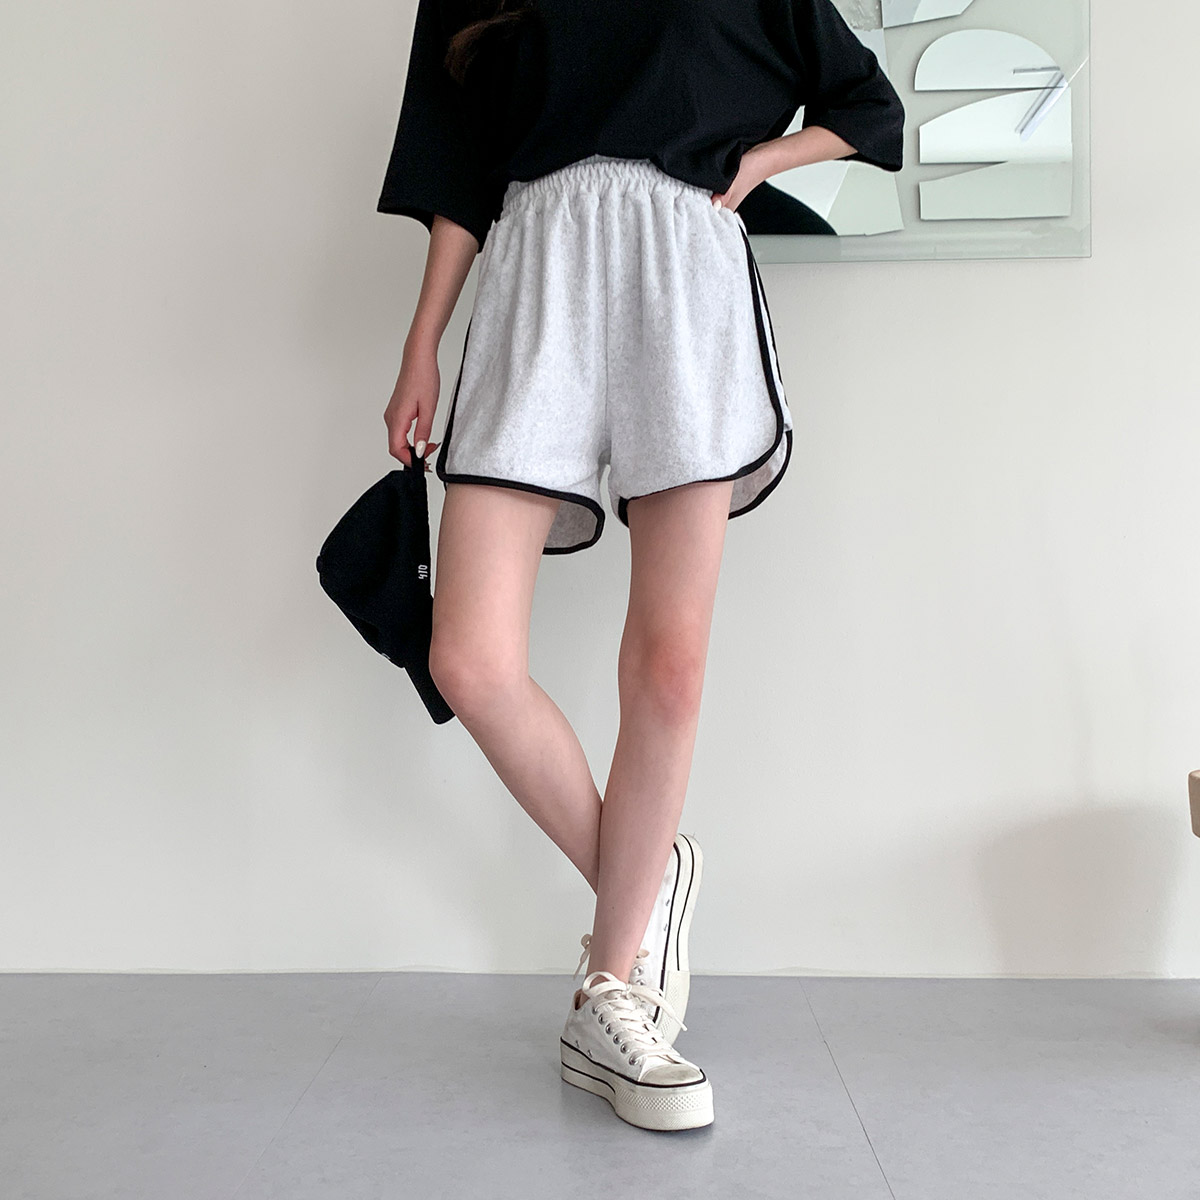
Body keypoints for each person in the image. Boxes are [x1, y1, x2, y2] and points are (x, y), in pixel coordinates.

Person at [375, 0, 904, 1131]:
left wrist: (763, 161)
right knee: (468, 658)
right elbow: (457, 164)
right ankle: (651, 871)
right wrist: (422, 342)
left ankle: (609, 995)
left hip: (682, 268)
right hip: (535, 273)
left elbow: (867, 104)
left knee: (668, 662)